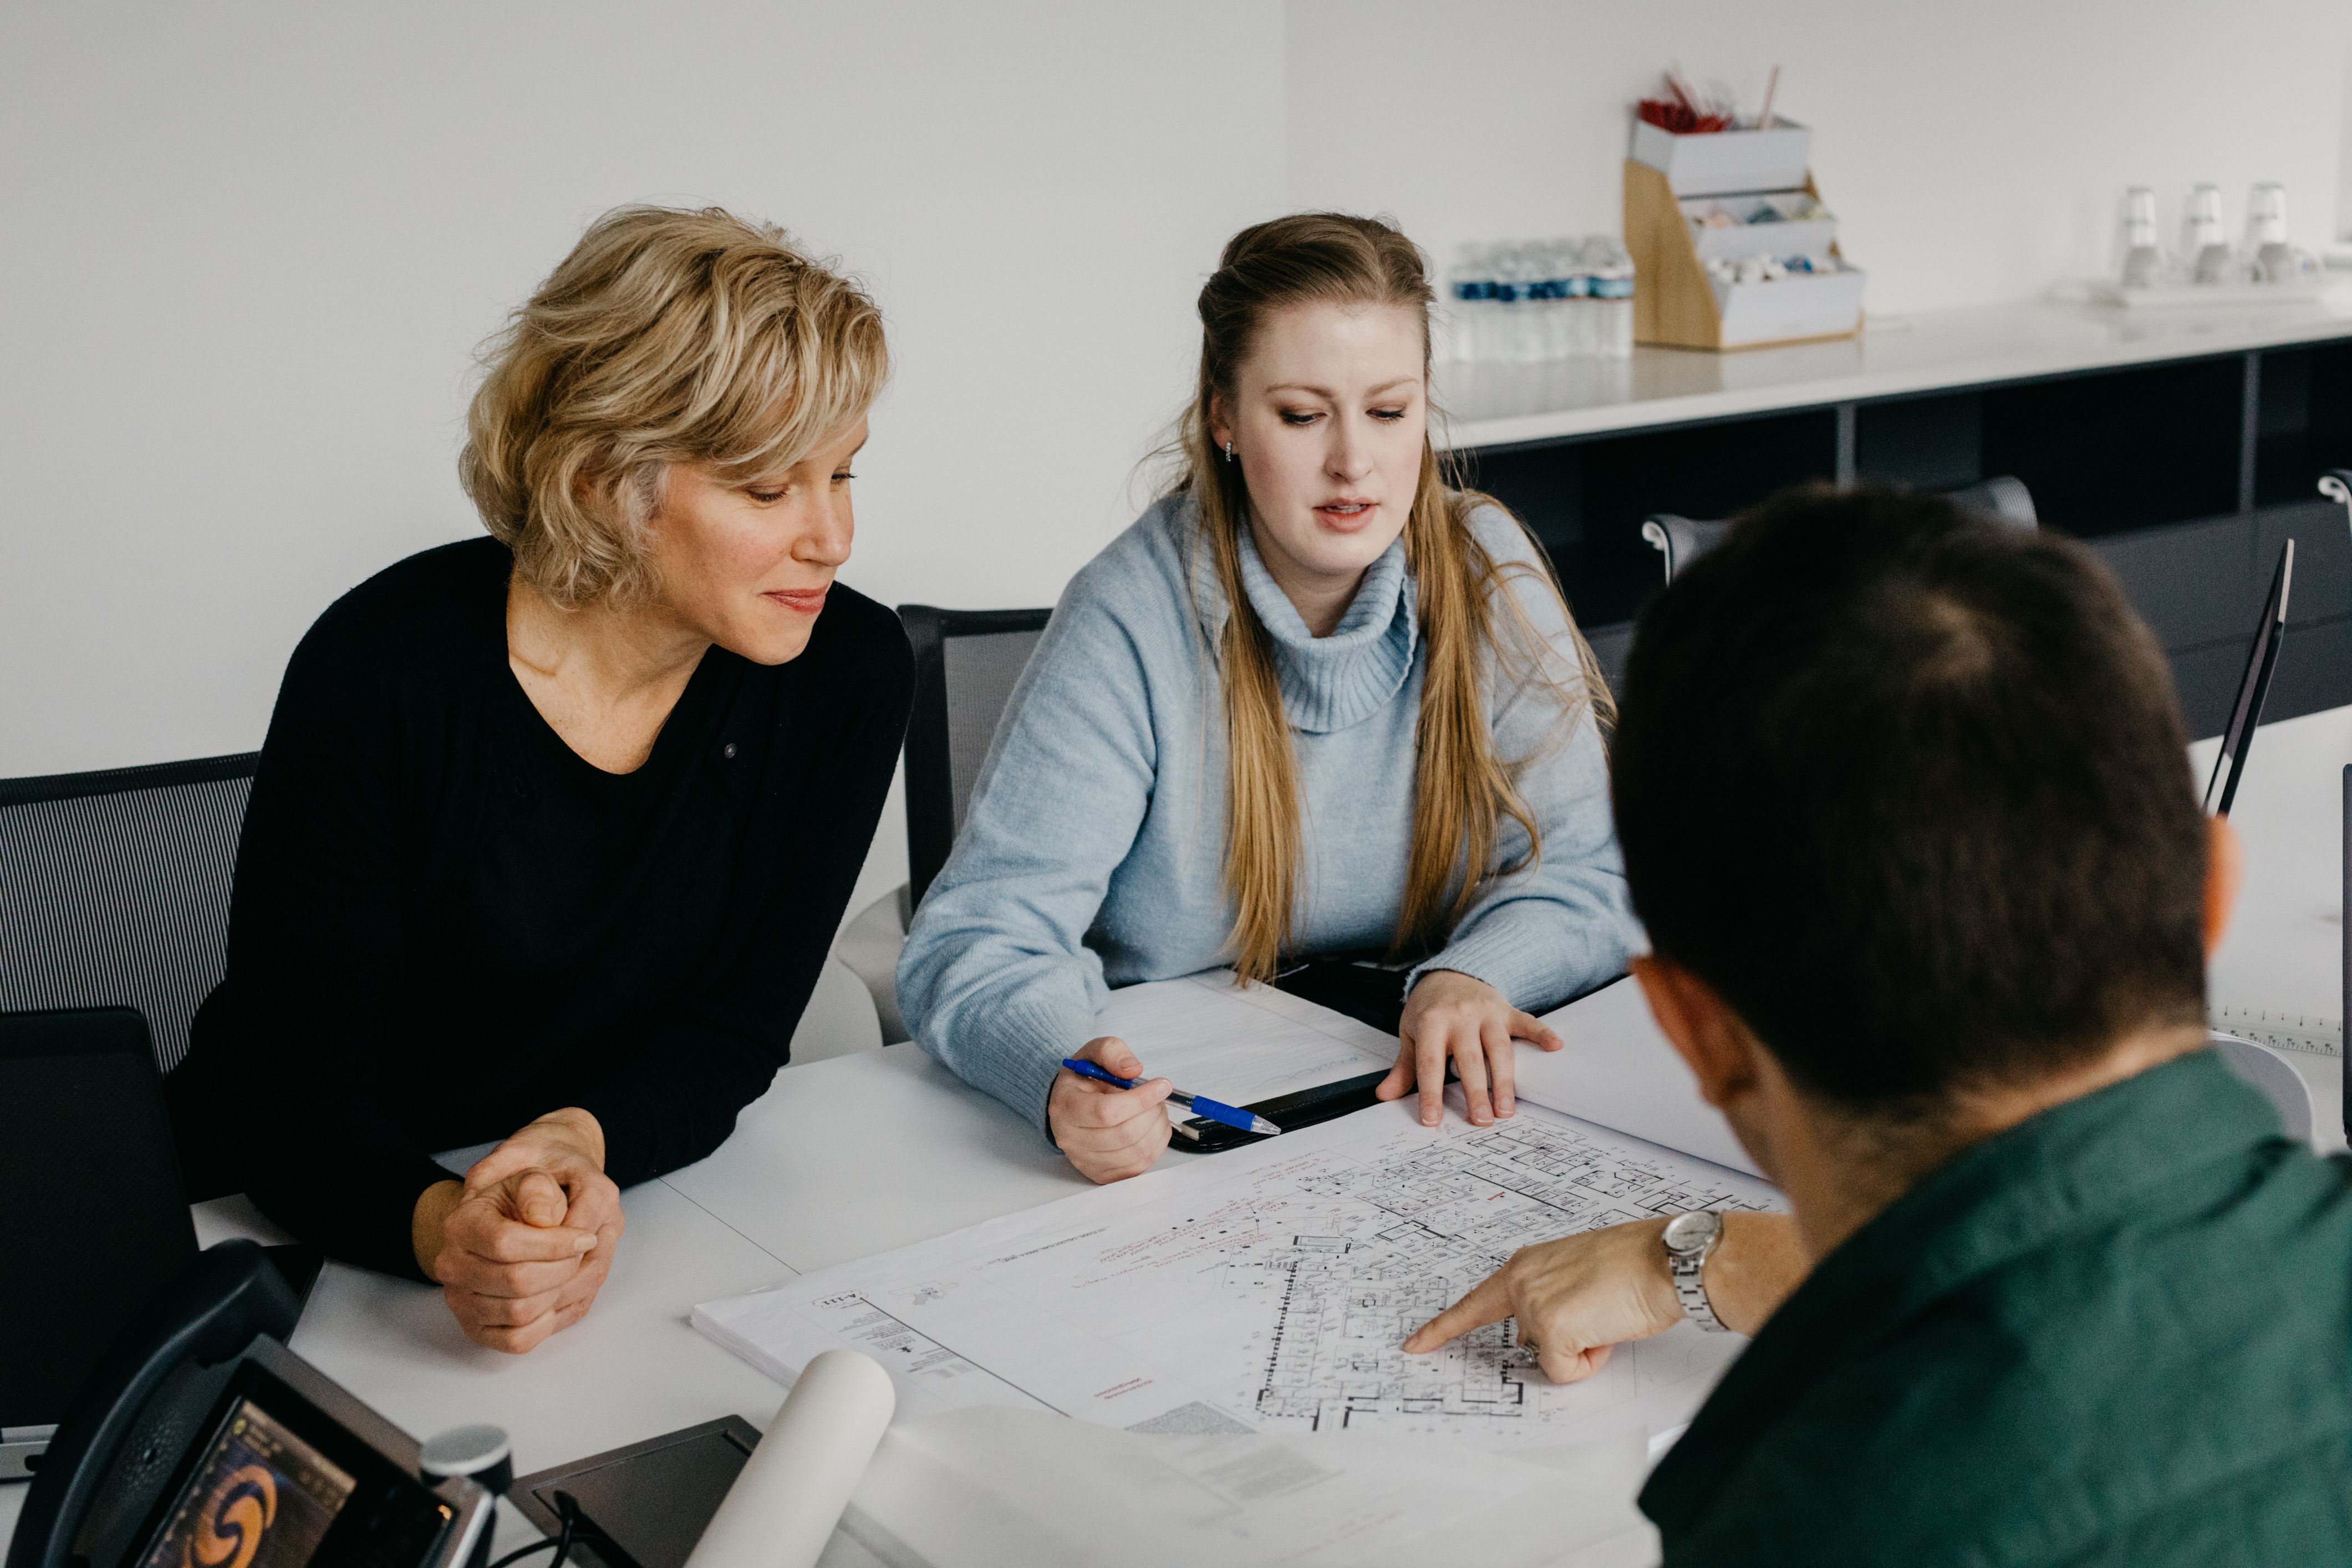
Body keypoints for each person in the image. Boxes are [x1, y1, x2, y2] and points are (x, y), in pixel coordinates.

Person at [1404, 486, 2352, 1564]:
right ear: (2209, 900)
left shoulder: (1803, 1522)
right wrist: (1707, 1258)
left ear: (1697, 1031)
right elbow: (2076, 1267)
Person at [167, 206, 913, 1353]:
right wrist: (447, 1231)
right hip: (296, 1222)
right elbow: (284, 1099)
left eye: (845, 473)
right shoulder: (382, 669)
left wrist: (580, 1137)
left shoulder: (844, 672)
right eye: (770, 491)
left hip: (609, 1207)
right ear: (611, 479)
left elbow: (737, 1027)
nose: (834, 537)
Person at [898, 213, 1639, 1183]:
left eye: (1389, 411)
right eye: (1300, 415)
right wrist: (1061, 1078)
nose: (1353, 464)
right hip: (1201, 1144)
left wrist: (1475, 975)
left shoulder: (1483, 566)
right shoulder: (1130, 612)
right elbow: (979, 937)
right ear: (1223, 418)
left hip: (1439, 1123)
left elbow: (1596, 871)